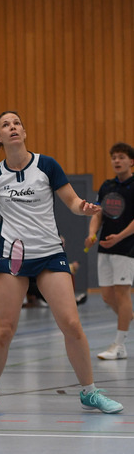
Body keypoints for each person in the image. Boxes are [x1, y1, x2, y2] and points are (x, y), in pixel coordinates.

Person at [0, 111, 123, 415]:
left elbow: (73, 202)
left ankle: (90, 392)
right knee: (5, 330)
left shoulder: (47, 166)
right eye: (6, 125)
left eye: (17, 123)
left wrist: (85, 208)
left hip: (50, 254)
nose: (13, 128)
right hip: (12, 259)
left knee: (71, 324)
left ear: (23, 132)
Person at [86, 142, 134, 360]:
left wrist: (120, 237)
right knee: (107, 296)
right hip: (105, 245)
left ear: (131, 161)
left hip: (126, 247)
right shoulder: (106, 186)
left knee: (122, 292)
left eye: (121, 157)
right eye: (114, 157)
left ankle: (120, 345)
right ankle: (128, 316)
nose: (117, 161)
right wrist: (93, 232)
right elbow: (98, 213)